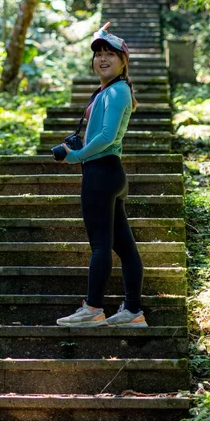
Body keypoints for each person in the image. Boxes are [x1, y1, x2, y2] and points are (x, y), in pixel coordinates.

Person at [55, 24, 146, 328]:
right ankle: (132, 311)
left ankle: (93, 308)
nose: (103, 59)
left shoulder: (116, 91)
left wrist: (77, 156)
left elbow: (106, 136)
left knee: (100, 246)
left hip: (101, 173)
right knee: (124, 247)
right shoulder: (111, 90)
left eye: (110, 54)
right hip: (109, 173)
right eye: (98, 54)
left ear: (123, 61)